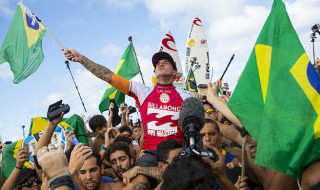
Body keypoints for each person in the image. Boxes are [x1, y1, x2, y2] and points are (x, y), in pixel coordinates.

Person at [64, 49, 198, 186]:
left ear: (175, 72)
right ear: (154, 72)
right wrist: (81, 58)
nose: (160, 64)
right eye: (157, 63)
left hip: (177, 152)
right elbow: (109, 76)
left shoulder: (188, 96)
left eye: (166, 62)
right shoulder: (143, 91)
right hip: (150, 154)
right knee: (136, 186)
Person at [199, 82, 298, 190]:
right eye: (246, 134)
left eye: (253, 132)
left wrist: (213, 99)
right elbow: (234, 132)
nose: (248, 139)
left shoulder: (280, 154)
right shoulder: (250, 145)